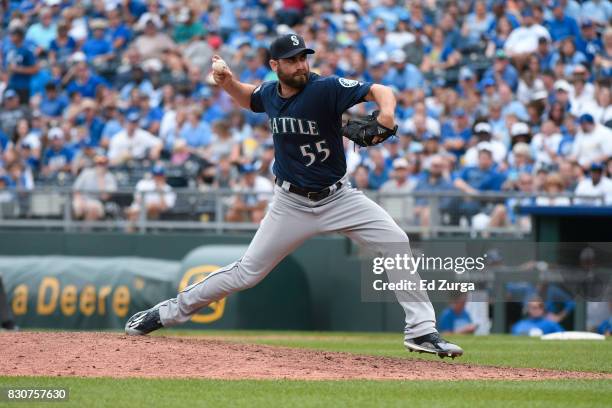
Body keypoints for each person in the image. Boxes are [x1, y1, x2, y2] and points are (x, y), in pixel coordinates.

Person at [125, 34, 463, 358]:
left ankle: (420, 330)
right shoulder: (272, 94)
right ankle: (165, 313)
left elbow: (380, 90)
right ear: (275, 65)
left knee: (395, 241)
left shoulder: (325, 88)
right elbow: (249, 98)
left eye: (303, 58)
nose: (301, 65)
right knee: (246, 273)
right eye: (292, 60)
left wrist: (387, 113)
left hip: (339, 197)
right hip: (291, 203)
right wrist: (228, 82)